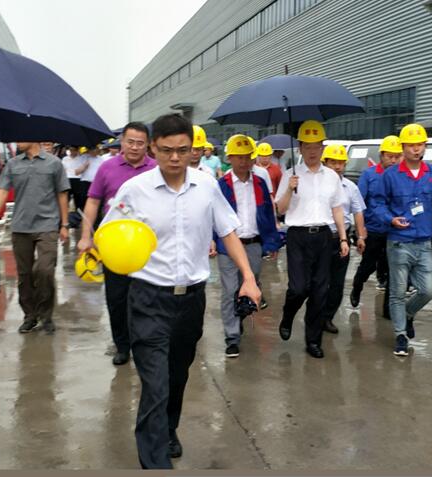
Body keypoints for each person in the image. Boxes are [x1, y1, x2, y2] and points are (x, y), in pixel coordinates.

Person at [102, 114, 260, 469]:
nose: (175, 158)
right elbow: (110, 233)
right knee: (155, 385)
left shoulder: (206, 186)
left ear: (194, 149)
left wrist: (248, 277)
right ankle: (155, 461)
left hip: (191, 299)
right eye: (166, 150)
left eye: (183, 150)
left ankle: (168, 428)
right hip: (148, 298)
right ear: (153, 148)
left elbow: (228, 231)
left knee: (177, 375)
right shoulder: (135, 190)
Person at [77, 122, 156, 366]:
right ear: (122, 142)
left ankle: (144, 343)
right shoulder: (107, 168)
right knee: (117, 298)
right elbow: (93, 202)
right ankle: (122, 345)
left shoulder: (155, 169)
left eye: (140, 143)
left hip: (146, 246)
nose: (134, 147)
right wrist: (86, 236)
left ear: (148, 145)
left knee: (147, 298)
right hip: (114, 245)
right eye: (130, 142)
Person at [374, 124, 432, 356]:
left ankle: (407, 314)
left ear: (425, 146)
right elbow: (377, 204)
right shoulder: (390, 175)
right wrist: (390, 219)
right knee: (397, 291)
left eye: (420, 145)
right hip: (399, 242)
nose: (416, 149)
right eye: (411, 145)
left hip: (424, 242)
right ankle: (400, 335)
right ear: (403, 147)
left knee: (428, 290)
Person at [275, 120, 349, 359]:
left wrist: (343, 238)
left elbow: (337, 208)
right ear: (300, 148)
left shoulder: (331, 177)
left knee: (319, 290)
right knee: (298, 288)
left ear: (322, 147)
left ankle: (313, 340)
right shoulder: (290, 175)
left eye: (317, 145)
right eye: (307, 146)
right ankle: (288, 315)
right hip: (298, 236)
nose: (312, 151)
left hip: (324, 236)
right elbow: (280, 209)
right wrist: (289, 189)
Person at [0, 141, 70, 334]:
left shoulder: (54, 163)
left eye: (21, 139)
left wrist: (64, 224)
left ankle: (46, 315)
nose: (17, 143)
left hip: (47, 225)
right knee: (24, 275)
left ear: (33, 138)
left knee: (45, 270)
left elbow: (62, 194)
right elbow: (2, 190)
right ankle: (30, 316)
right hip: (21, 226)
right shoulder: (13, 164)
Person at [215, 134, 281, 358]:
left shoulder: (259, 183)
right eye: (239, 157)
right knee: (229, 291)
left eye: (247, 157)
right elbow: (213, 215)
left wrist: (272, 242)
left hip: (253, 244)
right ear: (230, 158)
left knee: (250, 287)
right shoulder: (222, 185)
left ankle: (240, 315)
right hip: (227, 246)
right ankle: (232, 337)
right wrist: (211, 241)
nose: (244, 161)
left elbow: (268, 214)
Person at [350, 136, 402, 310]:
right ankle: (357, 285)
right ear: (381, 156)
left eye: (397, 156)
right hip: (373, 229)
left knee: (392, 269)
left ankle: (388, 308)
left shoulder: (402, 176)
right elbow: (359, 204)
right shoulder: (369, 175)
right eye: (389, 156)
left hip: (394, 231)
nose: (393, 160)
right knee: (369, 265)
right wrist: (360, 230)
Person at [319, 144, 366, 333]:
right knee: (318, 281)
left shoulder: (351, 187)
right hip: (320, 238)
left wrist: (361, 236)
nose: (337, 166)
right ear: (325, 163)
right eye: (333, 162)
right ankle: (315, 315)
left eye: (341, 163)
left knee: (337, 283)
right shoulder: (317, 186)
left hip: (341, 238)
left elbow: (358, 212)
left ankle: (327, 318)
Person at [77, 144, 103, 211]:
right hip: (85, 182)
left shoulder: (101, 159)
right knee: (83, 201)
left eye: (97, 149)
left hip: (96, 183)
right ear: (89, 150)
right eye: (93, 149)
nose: (96, 151)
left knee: (95, 201)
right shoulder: (83, 157)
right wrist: (84, 166)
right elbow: (77, 172)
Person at [62, 146, 85, 214]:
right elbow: (63, 169)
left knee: (78, 199)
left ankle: (78, 214)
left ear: (77, 150)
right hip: (68, 179)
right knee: (66, 198)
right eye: (71, 150)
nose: (72, 152)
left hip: (78, 179)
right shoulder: (65, 158)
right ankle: (64, 213)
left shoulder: (81, 158)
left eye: (74, 150)